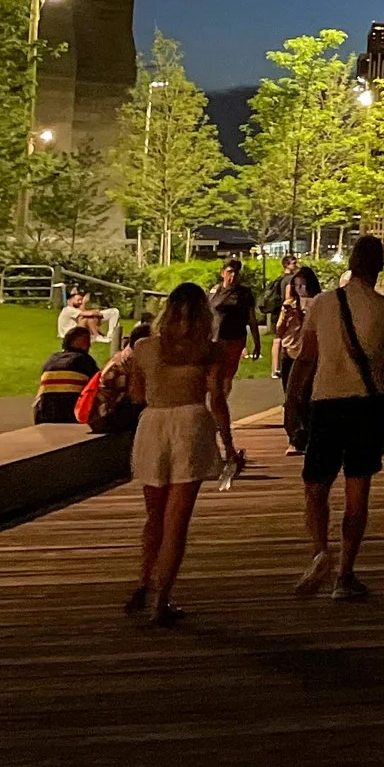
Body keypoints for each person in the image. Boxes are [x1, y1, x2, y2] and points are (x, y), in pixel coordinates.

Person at [287, 234, 384, 601]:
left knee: (316, 487)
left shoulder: (323, 304)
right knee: (358, 490)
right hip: (366, 407)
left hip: (326, 402)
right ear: (380, 267)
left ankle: (319, 550)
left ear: (351, 263)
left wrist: (292, 402)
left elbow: (306, 359)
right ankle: (345, 573)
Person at [123, 283, 225, 625]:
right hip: (191, 424)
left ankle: (144, 580)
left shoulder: (144, 348)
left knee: (154, 515)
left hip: (153, 424)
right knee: (176, 521)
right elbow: (218, 400)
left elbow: (137, 394)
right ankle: (161, 601)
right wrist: (228, 442)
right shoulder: (210, 351)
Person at [208, 260, 256, 475]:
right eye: (229, 272)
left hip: (234, 340)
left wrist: (255, 340)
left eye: (236, 273)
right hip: (215, 341)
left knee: (225, 381)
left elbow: (251, 318)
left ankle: (220, 414)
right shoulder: (214, 292)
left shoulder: (244, 295)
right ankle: (219, 417)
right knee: (216, 386)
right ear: (222, 273)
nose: (233, 276)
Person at [33, 326, 97, 424]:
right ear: (83, 343)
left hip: (44, 414)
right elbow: (96, 384)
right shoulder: (84, 361)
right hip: (71, 416)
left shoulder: (51, 359)